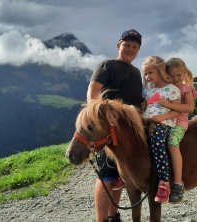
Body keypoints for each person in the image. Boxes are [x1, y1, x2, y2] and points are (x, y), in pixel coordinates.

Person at [87, 29, 143, 222]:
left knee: (120, 176)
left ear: (138, 51)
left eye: (135, 46)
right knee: (107, 176)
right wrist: (98, 118)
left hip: (129, 134)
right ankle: (101, 220)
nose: (130, 49)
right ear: (118, 45)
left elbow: (135, 100)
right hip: (109, 131)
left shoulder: (136, 73)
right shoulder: (106, 66)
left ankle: (114, 217)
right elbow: (93, 92)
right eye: (127, 44)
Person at [158, 57, 197, 203]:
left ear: (184, 74)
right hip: (165, 121)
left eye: (179, 75)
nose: (176, 79)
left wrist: (170, 105)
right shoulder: (167, 89)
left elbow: (189, 108)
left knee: (172, 144)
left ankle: (177, 183)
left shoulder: (185, 88)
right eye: (172, 76)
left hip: (179, 123)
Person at [142, 56, 181, 204]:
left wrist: (162, 117)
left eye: (150, 73)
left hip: (163, 123)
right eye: (145, 74)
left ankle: (164, 182)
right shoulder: (150, 91)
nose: (147, 76)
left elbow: (177, 112)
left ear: (160, 71)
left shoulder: (172, 90)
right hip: (146, 122)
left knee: (158, 143)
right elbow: (149, 107)